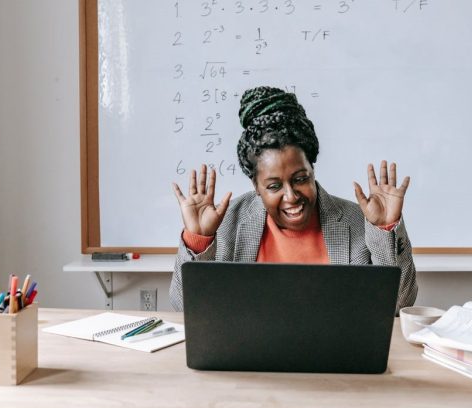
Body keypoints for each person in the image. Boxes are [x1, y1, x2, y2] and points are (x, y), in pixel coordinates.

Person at [169, 86, 417, 311]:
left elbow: (398, 305)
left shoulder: (357, 221)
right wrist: (199, 241)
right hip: (249, 357)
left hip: (332, 356)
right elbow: (184, 308)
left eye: (300, 179)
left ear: (312, 170)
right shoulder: (225, 223)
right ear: (256, 185)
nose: (291, 196)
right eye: (274, 186)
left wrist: (385, 229)